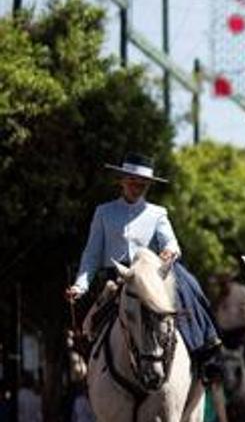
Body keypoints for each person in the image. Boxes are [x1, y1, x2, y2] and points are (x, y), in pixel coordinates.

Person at [64, 154, 223, 380]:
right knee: (90, 325)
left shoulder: (158, 213)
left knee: (188, 283)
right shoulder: (104, 212)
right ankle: (91, 373)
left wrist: (169, 251)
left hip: (151, 277)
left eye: (142, 183)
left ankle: (205, 349)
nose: (137, 187)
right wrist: (80, 286)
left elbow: (171, 243)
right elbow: (91, 254)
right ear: (122, 180)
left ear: (148, 185)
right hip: (117, 278)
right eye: (132, 181)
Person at [213, 273, 245, 350]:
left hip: (241, 332)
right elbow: (216, 314)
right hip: (226, 334)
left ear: (229, 281)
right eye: (220, 284)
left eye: (224, 283)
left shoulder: (242, 291)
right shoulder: (219, 295)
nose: (222, 286)